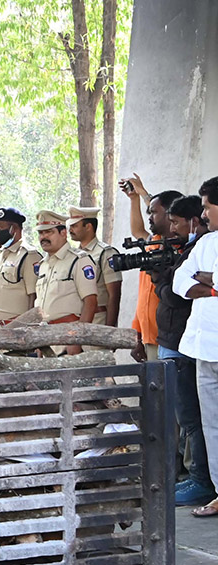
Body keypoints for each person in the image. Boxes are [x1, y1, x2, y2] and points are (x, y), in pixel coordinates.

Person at [153, 195, 212, 506]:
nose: (172, 227)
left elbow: (177, 296)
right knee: (186, 419)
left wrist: (163, 283)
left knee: (193, 419)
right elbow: (179, 284)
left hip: (183, 344)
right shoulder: (191, 251)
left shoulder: (200, 248)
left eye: (176, 221)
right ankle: (198, 477)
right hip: (174, 342)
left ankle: (203, 481)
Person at [172, 177, 218, 518]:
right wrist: (210, 285)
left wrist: (207, 279)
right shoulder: (206, 243)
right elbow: (179, 280)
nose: (202, 214)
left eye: (207, 206)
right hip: (204, 345)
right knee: (212, 424)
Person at [33, 210, 98, 355]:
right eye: (41, 233)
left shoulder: (79, 260)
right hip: (46, 341)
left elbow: (90, 302)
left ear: (63, 233)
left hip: (67, 340)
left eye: (49, 232)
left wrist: (77, 340)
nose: (43, 237)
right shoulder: (43, 265)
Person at [121, 174, 171, 361]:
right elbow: (137, 232)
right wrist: (134, 199)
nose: (150, 217)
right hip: (148, 335)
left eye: (154, 213)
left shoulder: (175, 246)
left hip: (167, 337)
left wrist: (143, 193)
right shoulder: (153, 244)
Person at [66, 207, 121, 326]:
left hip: (98, 320)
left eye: (75, 226)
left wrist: (109, 331)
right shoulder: (73, 255)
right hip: (76, 321)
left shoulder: (106, 253)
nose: (70, 230)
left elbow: (114, 295)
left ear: (88, 226)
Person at [0, 207, 42, 326]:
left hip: (16, 327)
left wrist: (28, 327)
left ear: (14, 229)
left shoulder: (28, 256)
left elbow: (34, 296)